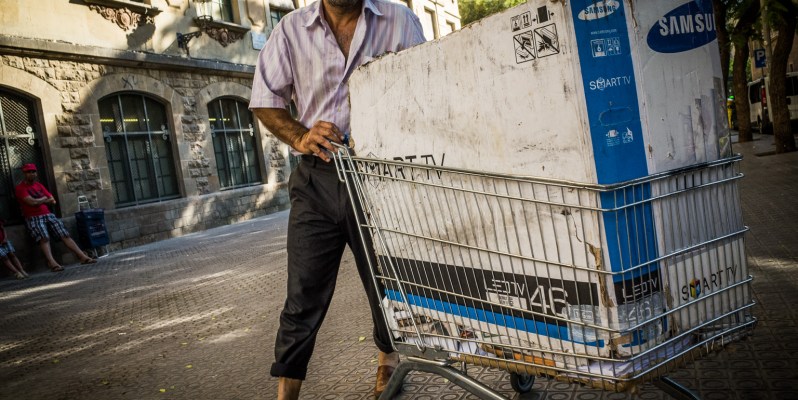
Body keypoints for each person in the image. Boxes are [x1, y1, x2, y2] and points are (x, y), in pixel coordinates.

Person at [249, 0, 425, 398]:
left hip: (381, 178)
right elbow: (264, 98)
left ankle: (387, 361)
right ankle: (286, 391)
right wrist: (299, 135)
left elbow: (428, 85)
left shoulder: (400, 20)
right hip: (318, 178)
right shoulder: (291, 30)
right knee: (302, 294)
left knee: (384, 282)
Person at [15, 163, 97, 271]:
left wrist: (40, 201)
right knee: (44, 238)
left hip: (48, 214)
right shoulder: (20, 188)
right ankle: (52, 263)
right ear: (24, 173)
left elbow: (53, 200)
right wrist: (44, 199)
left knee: (64, 234)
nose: (32, 174)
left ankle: (82, 256)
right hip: (33, 217)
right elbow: (31, 202)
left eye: (33, 171)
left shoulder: (39, 186)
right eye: (28, 172)